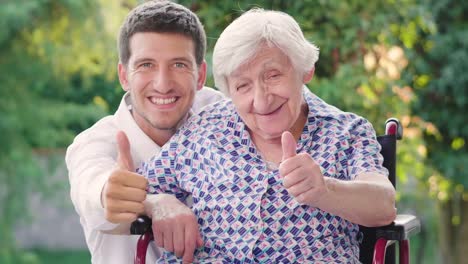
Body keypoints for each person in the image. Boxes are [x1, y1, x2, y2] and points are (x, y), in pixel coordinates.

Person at [139, 8, 397, 263]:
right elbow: (138, 189)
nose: (261, 101)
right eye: (243, 86)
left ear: (305, 70)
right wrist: (159, 203)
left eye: (273, 76)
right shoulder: (204, 130)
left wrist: (325, 190)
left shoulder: (346, 132)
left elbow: (384, 205)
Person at [65, 1, 224, 263]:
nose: (162, 84)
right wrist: (143, 200)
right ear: (124, 75)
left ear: (200, 75)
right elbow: (90, 186)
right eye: (146, 65)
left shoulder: (221, 114)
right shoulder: (95, 143)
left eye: (179, 65)